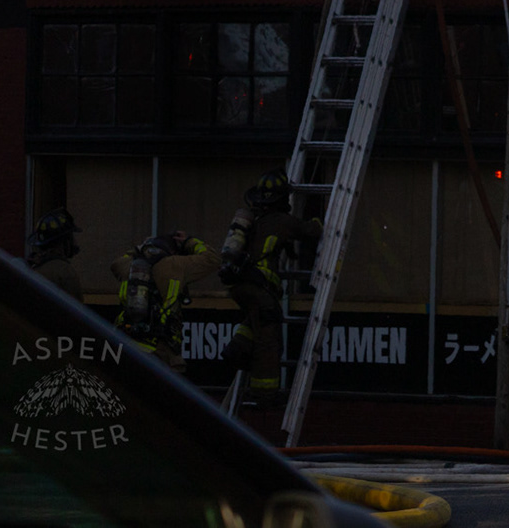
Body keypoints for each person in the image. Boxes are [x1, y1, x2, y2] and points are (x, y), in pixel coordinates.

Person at [224, 170, 323, 403]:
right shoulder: (282, 220)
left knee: (256, 321)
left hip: (240, 284)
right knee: (269, 338)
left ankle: (236, 349)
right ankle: (264, 392)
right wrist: (319, 219)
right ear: (282, 199)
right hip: (259, 287)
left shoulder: (254, 221)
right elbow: (312, 231)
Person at [111, 231, 221, 372]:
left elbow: (115, 264)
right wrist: (189, 242)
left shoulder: (128, 265)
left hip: (125, 341)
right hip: (159, 348)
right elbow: (213, 259)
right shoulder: (176, 264)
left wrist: (142, 248)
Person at [26, 207, 84, 302]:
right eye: (71, 238)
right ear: (63, 242)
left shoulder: (32, 268)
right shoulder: (64, 271)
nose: (74, 242)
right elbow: (77, 312)